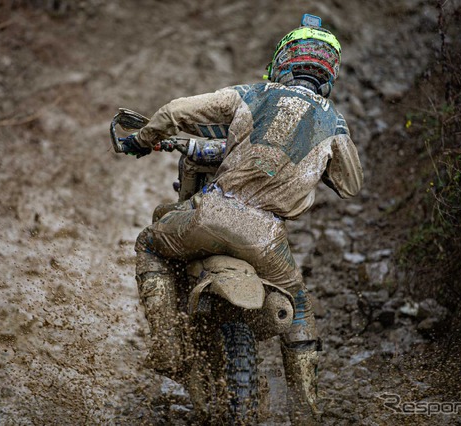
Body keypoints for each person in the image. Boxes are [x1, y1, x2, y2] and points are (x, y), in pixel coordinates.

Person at [119, 14, 363, 423]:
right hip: (267, 241)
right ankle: (306, 411)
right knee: (299, 308)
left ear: (283, 59)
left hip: (211, 213)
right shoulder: (334, 122)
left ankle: (164, 345)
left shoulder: (254, 93)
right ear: (329, 72)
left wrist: (139, 141)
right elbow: (351, 184)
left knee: (149, 242)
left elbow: (176, 110)